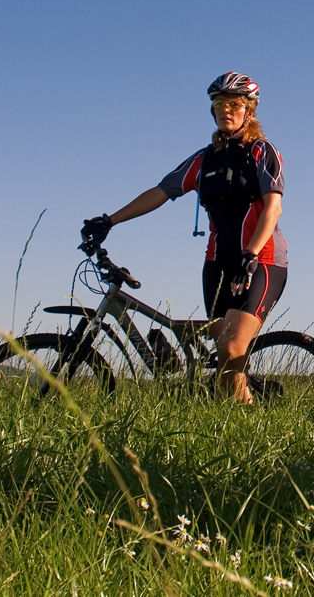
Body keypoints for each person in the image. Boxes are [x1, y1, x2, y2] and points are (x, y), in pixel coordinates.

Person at [79, 71, 286, 404]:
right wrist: (109, 221)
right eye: (219, 104)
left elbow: (272, 209)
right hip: (217, 263)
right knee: (223, 355)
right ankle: (242, 412)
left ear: (249, 110)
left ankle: (247, 423)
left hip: (260, 261)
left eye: (234, 104)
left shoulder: (261, 152)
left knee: (232, 347)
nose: (226, 110)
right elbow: (161, 192)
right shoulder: (204, 160)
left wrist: (249, 254)